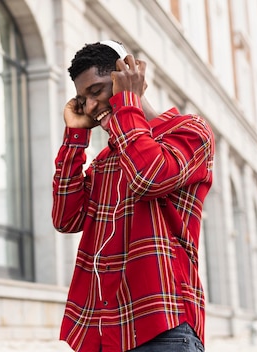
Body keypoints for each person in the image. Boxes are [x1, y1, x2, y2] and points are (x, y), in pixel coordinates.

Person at [52, 40, 214, 352]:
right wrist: (75, 138)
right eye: (82, 98)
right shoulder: (106, 160)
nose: (90, 106)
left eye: (97, 91)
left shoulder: (190, 131)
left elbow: (148, 177)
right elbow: (66, 218)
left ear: (126, 75)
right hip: (103, 332)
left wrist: (127, 101)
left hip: (163, 327)